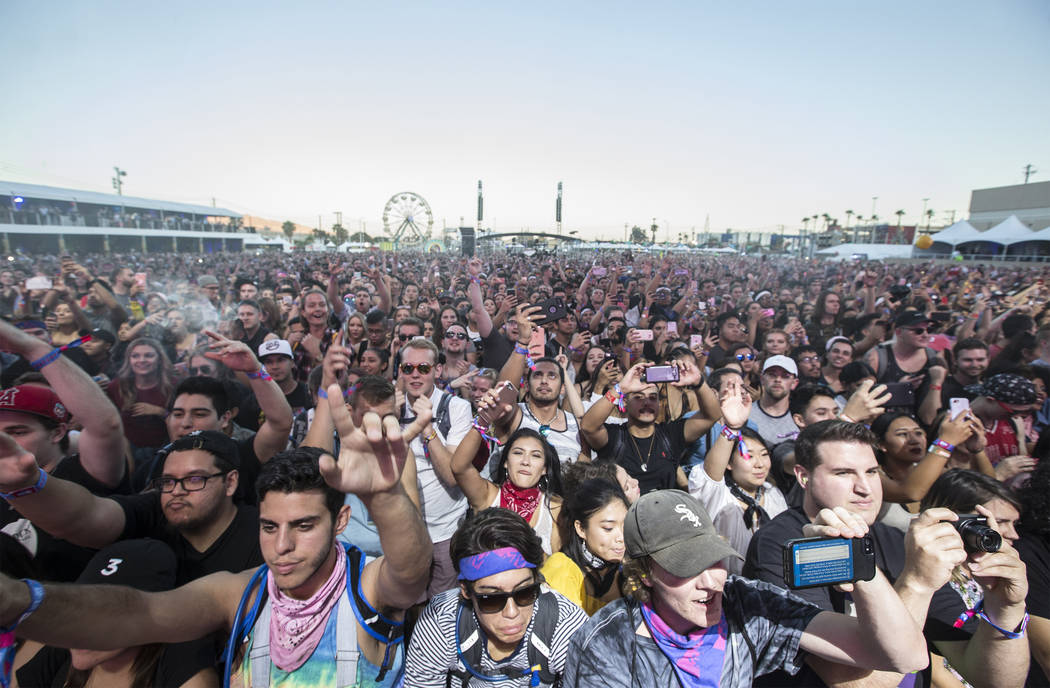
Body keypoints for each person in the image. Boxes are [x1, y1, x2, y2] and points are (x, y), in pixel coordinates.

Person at [0, 393, 433, 688]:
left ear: (340, 521)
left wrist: (386, 498)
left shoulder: (365, 585)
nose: (281, 546)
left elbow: (411, 573)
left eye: (303, 526)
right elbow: (140, 613)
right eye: (268, 527)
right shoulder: (238, 594)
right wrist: (20, 600)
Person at [745, 420, 1031, 688]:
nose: (864, 488)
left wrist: (1005, 608)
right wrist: (916, 584)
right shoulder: (783, 543)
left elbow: (993, 680)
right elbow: (852, 683)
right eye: (843, 473)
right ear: (803, 477)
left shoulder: (896, 540)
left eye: (871, 472)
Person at [563, 489, 930, 687]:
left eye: (714, 560)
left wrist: (859, 567)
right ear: (644, 573)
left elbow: (905, 657)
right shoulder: (607, 644)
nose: (711, 583)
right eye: (685, 568)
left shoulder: (745, 602)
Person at [0, 429, 263, 583]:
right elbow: (87, 516)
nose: (177, 491)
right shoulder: (152, 509)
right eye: (168, 481)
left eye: (195, 479)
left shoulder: (265, 532)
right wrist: (29, 483)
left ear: (230, 483)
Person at [404, 507, 588, 687]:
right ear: (466, 591)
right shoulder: (441, 622)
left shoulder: (566, 627)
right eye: (491, 599)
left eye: (524, 592)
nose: (512, 612)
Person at [13, 539, 218, 688]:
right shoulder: (62, 651)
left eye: (102, 614)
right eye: (79, 608)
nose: (81, 629)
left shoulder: (182, 660)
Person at [398, 337, 474, 597]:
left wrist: (426, 426)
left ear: (437, 371)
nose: (415, 375)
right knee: (407, 606)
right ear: (400, 372)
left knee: (443, 606)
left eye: (424, 368)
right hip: (405, 531)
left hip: (446, 531)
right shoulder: (391, 411)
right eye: (408, 368)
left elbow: (453, 476)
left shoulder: (457, 408)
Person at [688, 376, 787, 572]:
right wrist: (731, 429)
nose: (759, 464)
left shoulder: (772, 493)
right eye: (748, 456)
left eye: (764, 455)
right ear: (730, 464)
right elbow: (710, 476)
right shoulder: (720, 494)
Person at [581, 360, 715, 495]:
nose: (646, 403)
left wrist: (699, 382)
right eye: (638, 397)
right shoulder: (615, 436)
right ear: (626, 402)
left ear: (659, 403)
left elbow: (711, 416)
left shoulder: (670, 435)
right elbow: (588, 426)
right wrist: (620, 389)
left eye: (653, 397)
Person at [451, 405, 564, 554]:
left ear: (544, 469)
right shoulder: (487, 496)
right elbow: (459, 467)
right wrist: (483, 419)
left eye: (535, 455)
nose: (525, 461)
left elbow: (557, 564)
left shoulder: (556, 508)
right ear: (505, 462)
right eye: (518, 453)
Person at [542, 477, 629, 615]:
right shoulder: (562, 570)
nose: (621, 537)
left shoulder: (632, 569)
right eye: (608, 528)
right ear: (581, 529)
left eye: (625, 525)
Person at [106, 336, 175, 453]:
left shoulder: (173, 385)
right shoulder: (117, 386)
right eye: (135, 356)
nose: (141, 360)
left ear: (159, 360)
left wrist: (161, 412)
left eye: (148, 355)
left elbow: (185, 424)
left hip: (163, 450)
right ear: (129, 360)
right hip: (126, 451)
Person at [748, 355, 800, 448]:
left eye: (785, 376)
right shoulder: (745, 413)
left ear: (794, 383)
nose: (778, 380)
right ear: (762, 379)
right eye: (772, 375)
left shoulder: (801, 418)